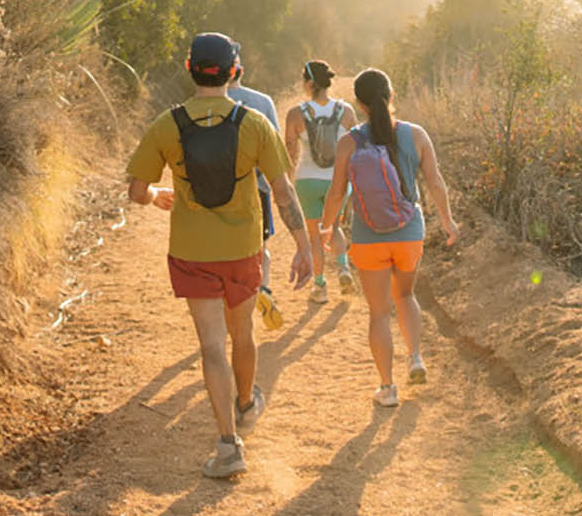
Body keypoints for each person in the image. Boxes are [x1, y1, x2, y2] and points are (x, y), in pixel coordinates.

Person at [127, 33, 313, 478]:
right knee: (242, 334)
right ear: (235, 71)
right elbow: (283, 193)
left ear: (190, 69)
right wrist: (305, 247)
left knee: (211, 346)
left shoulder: (166, 125)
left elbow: (136, 191)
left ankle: (228, 446)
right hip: (242, 250)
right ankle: (247, 403)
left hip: (192, 252)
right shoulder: (254, 124)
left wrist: (156, 196)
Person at [320, 67, 459, 407]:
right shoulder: (417, 135)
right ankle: (415, 358)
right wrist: (448, 221)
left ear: (360, 104)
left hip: (369, 238)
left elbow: (337, 193)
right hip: (410, 232)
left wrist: (328, 226)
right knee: (406, 295)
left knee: (379, 313)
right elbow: (435, 183)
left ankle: (387, 387)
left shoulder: (348, 143)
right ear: (391, 96)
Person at [282, 59, 357, 300]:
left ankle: (320, 286)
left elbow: (290, 151)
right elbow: (357, 147)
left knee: (314, 235)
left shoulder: (295, 114)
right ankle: (344, 269)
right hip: (337, 180)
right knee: (333, 227)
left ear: (308, 83)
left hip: (307, 181)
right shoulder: (346, 112)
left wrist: (289, 181)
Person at [225, 62, 282, 289]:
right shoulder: (263, 101)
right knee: (261, 247)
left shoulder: (207, 104)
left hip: (219, 188)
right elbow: (275, 147)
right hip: (258, 186)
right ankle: (264, 289)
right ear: (241, 71)